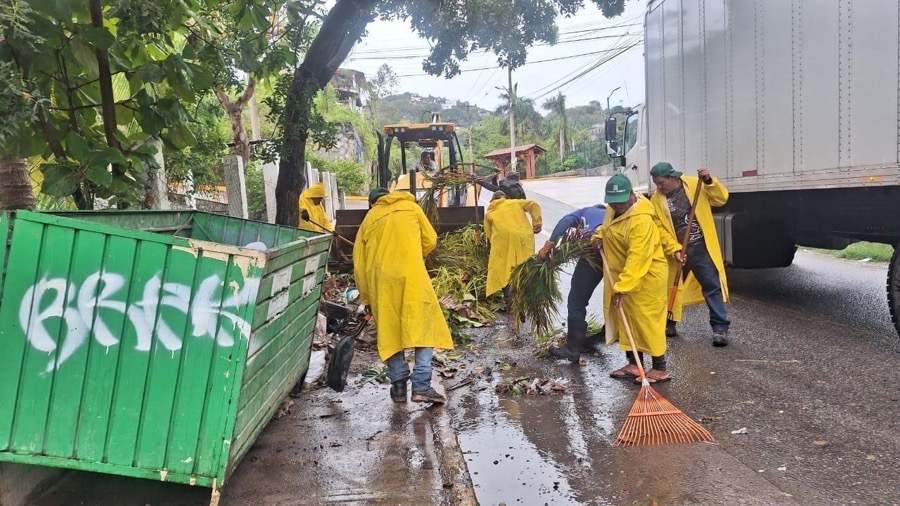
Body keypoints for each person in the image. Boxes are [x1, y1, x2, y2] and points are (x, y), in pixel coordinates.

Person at [353, 188, 453, 404]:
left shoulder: (370, 218)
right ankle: (421, 386)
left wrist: (366, 298)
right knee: (423, 328)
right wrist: (413, 255)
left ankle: (398, 387)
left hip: (382, 282)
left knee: (389, 333)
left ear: (373, 203)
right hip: (412, 277)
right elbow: (431, 240)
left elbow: (359, 264)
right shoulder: (411, 208)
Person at [594, 174, 670, 383]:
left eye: (620, 203)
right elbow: (608, 227)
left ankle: (660, 368)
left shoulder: (641, 220)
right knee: (627, 318)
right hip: (624, 275)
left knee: (648, 321)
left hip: (647, 277)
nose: (616, 207)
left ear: (631, 195)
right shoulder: (614, 207)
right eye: (612, 202)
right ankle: (634, 365)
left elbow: (638, 258)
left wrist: (623, 288)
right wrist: (600, 236)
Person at [649, 162, 731, 346]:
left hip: (702, 247)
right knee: (671, 287)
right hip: (678, 251)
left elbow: (721, 198)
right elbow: (660, 229)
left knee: (712, 286)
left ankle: (720, 329)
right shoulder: (656, 200)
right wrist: (674, 249)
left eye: (661, 182)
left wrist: (709, 181)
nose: (658, 187)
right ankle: (669, 323)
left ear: (673, 178)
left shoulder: (695, 184)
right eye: (656, 183)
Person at [539, 204, 607, 362]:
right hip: (620, 251)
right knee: (620, 299)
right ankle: (606, 336)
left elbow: (565, 222)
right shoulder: (613, 214)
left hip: (595, 251)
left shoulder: (585, 212)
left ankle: (572, 350)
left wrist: (549, 245)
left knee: (576, 300)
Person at [484, 190, 542, 298]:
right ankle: (526, 294)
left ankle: (510, 298)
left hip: (503, 243)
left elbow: (489, 234)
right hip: (523, 239)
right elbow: (534, 205)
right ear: (504, 198)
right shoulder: (515, 203)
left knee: (504, 270)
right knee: (524, 266)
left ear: (492, 200)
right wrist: (537, 222)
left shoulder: (490, 213)